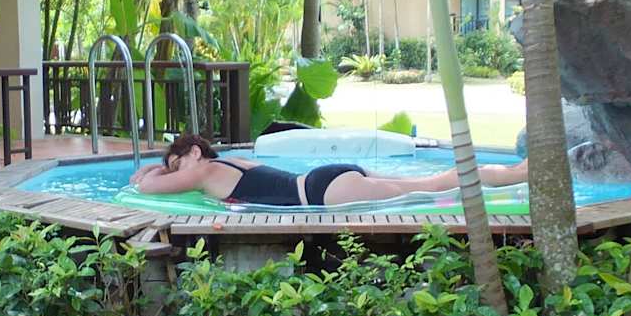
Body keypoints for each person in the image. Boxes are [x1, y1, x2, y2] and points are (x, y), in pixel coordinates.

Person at [128, 134, 529, 208]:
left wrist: (149, 173)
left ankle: (516, 175)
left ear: (195, 152)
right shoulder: (232, 163)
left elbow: (146, 189)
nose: (176, 174)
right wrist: (157, 166)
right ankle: (516, 172)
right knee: (430, 182)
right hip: (326, 180)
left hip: (325, 192)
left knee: (434, 186)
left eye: (177, 164)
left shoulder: (203, 171)